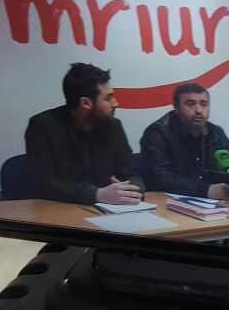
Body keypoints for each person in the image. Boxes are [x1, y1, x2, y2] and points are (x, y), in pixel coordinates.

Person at [24, 63, 144, 205]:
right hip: (61, 212)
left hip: (110, 211)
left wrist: (133, 190)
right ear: (86, 103)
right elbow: (43, 185)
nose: (115, 103)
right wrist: (96, 194)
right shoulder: (42, 126)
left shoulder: (114, 126)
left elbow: (131, 173)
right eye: (108, 98)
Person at [138, 83, 229, 200]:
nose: (199, 110)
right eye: (190, 104)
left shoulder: (215, 132)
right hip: (169, 204)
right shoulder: (158, 132)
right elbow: (157, 177)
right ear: (176, 107)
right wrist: (204, 190)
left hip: (215, 204)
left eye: (204, 104)